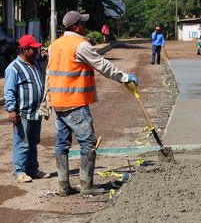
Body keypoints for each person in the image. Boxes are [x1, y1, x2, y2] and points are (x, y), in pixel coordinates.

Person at [47, 11, 138, 196]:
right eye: (82, 23)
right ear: (76, 26)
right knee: (88, 143)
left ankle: (64, 187)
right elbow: (102, 65)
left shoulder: (54, 45)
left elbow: (49, 73)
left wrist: (47, 99)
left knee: (61, 144)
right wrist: (124, 77)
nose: (85, 26)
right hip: (75, 102)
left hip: (58, 102)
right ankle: (86, 186)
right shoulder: (80, 45)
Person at [4, 35, 49, 183]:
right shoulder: (13, 68)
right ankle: (19, 172)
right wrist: (11, 110)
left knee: (32, 143)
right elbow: (9, 91)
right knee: (22, 143)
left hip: (36, 112)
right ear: (25, 49)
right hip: (22, 113)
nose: (36, 51)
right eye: (33, 49)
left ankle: (32, 169)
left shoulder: (35, 64)